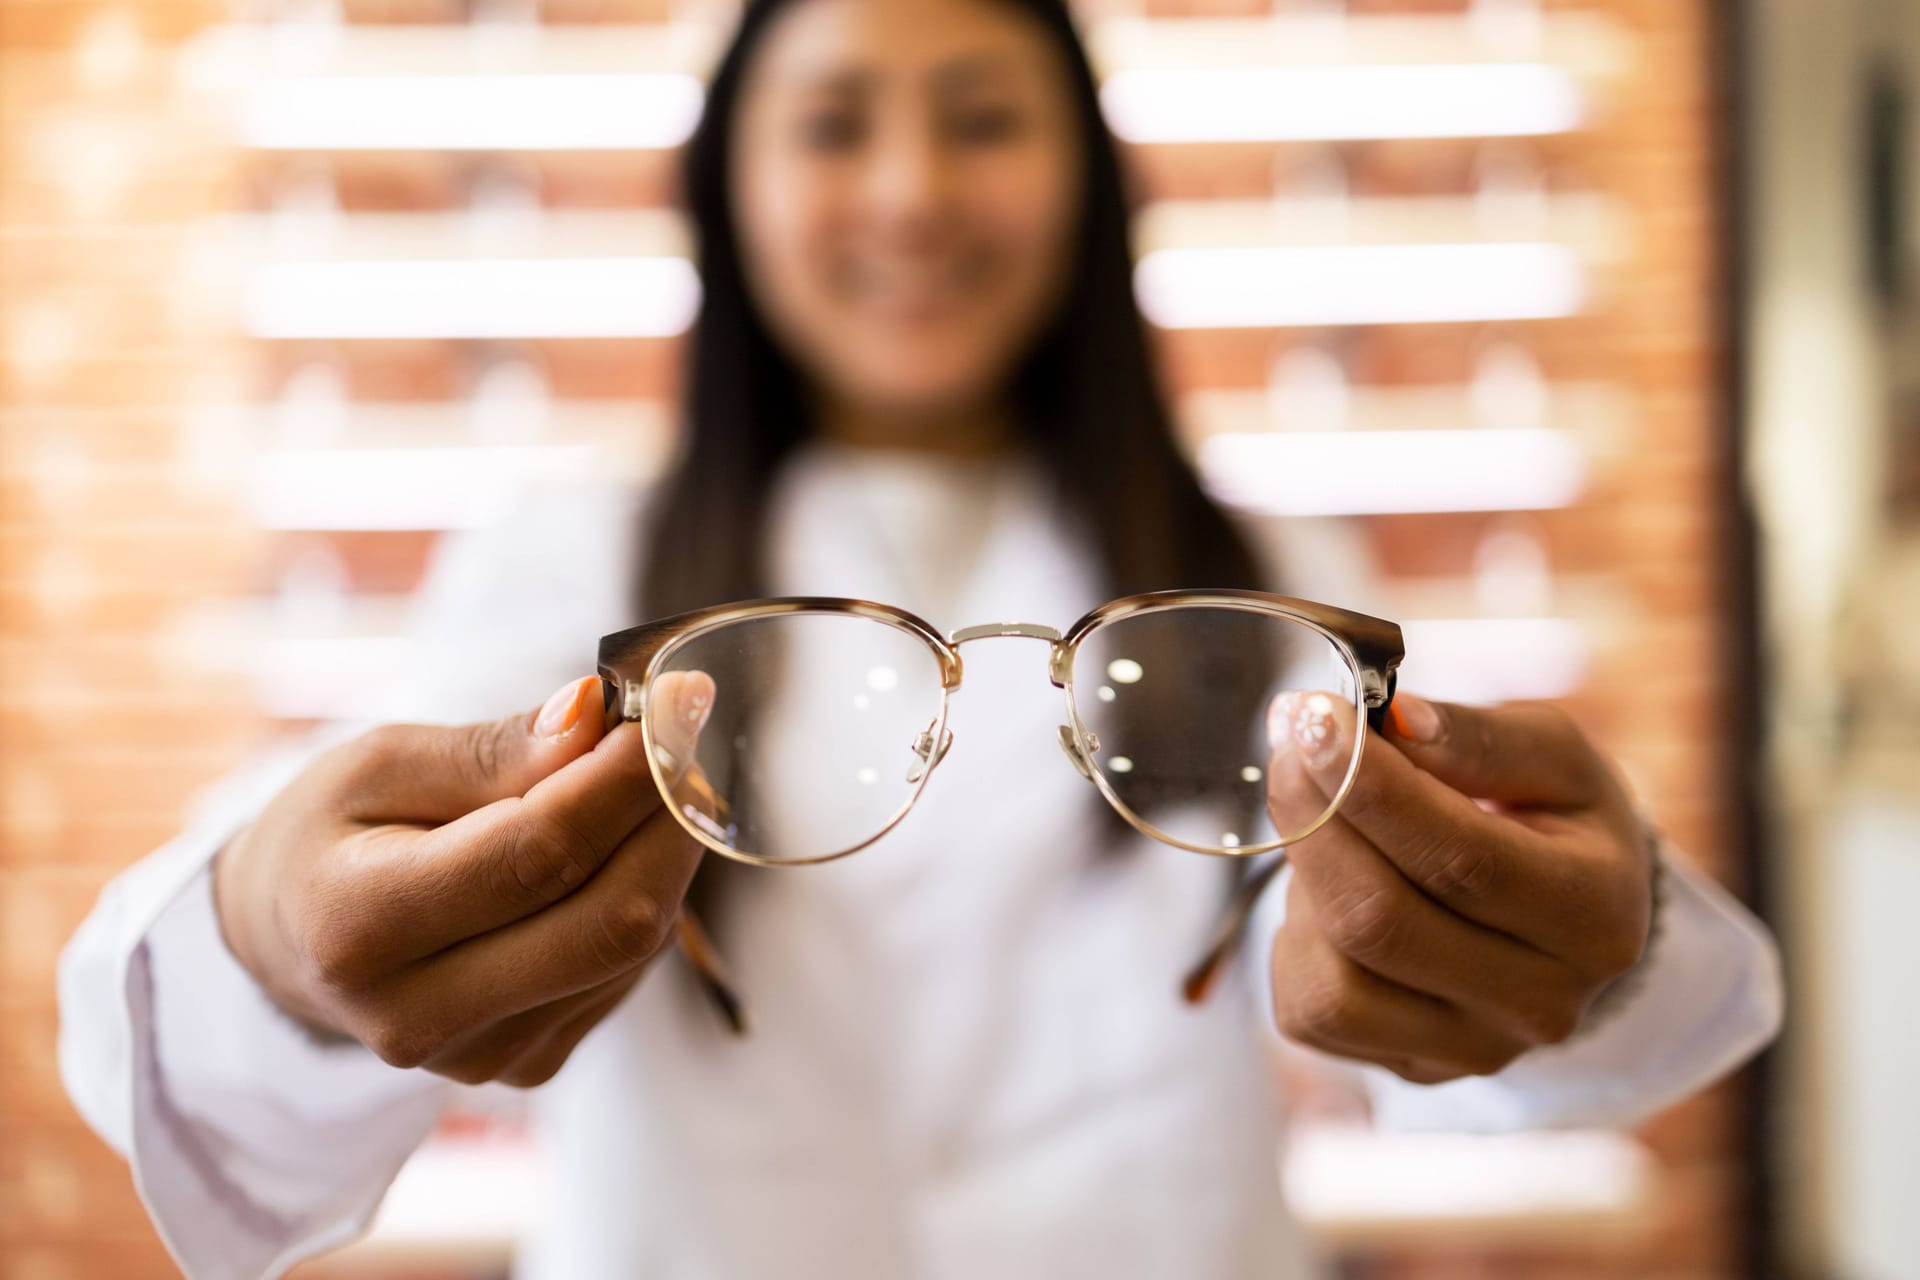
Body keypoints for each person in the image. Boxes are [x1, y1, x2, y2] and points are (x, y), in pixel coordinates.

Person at [58, 0, 1783, 1276]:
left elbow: (1476, 1047)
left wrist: (1581, 945)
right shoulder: (570, 561)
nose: (908, 192)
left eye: (979, 119)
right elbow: (245, 977)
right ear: (726, 187)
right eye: (832, 126)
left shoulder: (1261, 572)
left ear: (1090, 181)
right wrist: (275, 934)